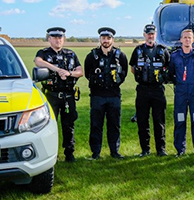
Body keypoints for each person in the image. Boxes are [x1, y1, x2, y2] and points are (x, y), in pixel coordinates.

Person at [34, 27, 83, 162]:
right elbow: (38, 61)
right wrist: (58, 70)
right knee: (49, 126)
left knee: (69, 126)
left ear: (64, 38)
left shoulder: (70, 54)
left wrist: (69, 73)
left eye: (60, 37)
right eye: (54, 37)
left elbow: (80, 71)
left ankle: (69, 153)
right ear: (49, 39)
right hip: (51, 96)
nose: (58, 40)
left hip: (68, 96)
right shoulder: (44, 53)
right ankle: (51, 154)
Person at [84, 27, 128, 160]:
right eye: (103, 38)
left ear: (112, 40)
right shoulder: (92, 56)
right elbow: (87, 73)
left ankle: (115, 151)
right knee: (96, 124)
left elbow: (124, 73)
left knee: (114, 124)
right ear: (100, 39)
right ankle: (95, 153)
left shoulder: (120, 56)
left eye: (108, 38)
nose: (106, 41)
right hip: (97, 96)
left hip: (114, 96)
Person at [129, 24, 171, 157]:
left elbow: (169, 67)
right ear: (144, 34)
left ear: (155, 34)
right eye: (148, 33)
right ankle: (145, 149)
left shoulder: (163, 50)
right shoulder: (138, 50)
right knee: (142, 121)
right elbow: (132, 68)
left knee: (159, 121)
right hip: (142, 90)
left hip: (158, 90)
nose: (150, 36)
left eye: (152, 33)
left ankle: (161, 149)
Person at [168, 29, 194, 157]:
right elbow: (170, 73)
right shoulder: (174, 56)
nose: (187, 40)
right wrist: (179, 84)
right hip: (180, 93)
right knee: (180, 121)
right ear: (180, 39)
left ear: (193, 40)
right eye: (184, 37)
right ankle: (180, 149)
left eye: (189, 37)